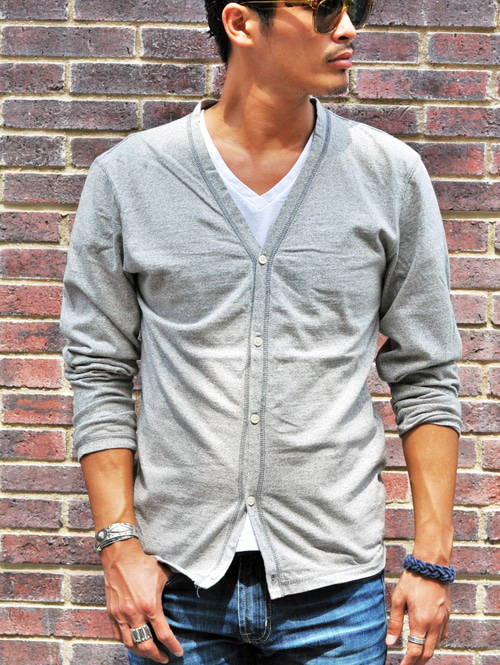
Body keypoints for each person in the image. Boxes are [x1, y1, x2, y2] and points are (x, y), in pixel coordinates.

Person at [60, 0, 462, 663]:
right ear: (242, 23)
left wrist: (432, 560)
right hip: (177, 591)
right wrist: (118, 544)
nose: (348, 28)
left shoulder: (387, 175)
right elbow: (98, 369)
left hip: (336, 594)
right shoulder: (129, 178)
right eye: (324, 8)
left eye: (355, 8)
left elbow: (426, 372)